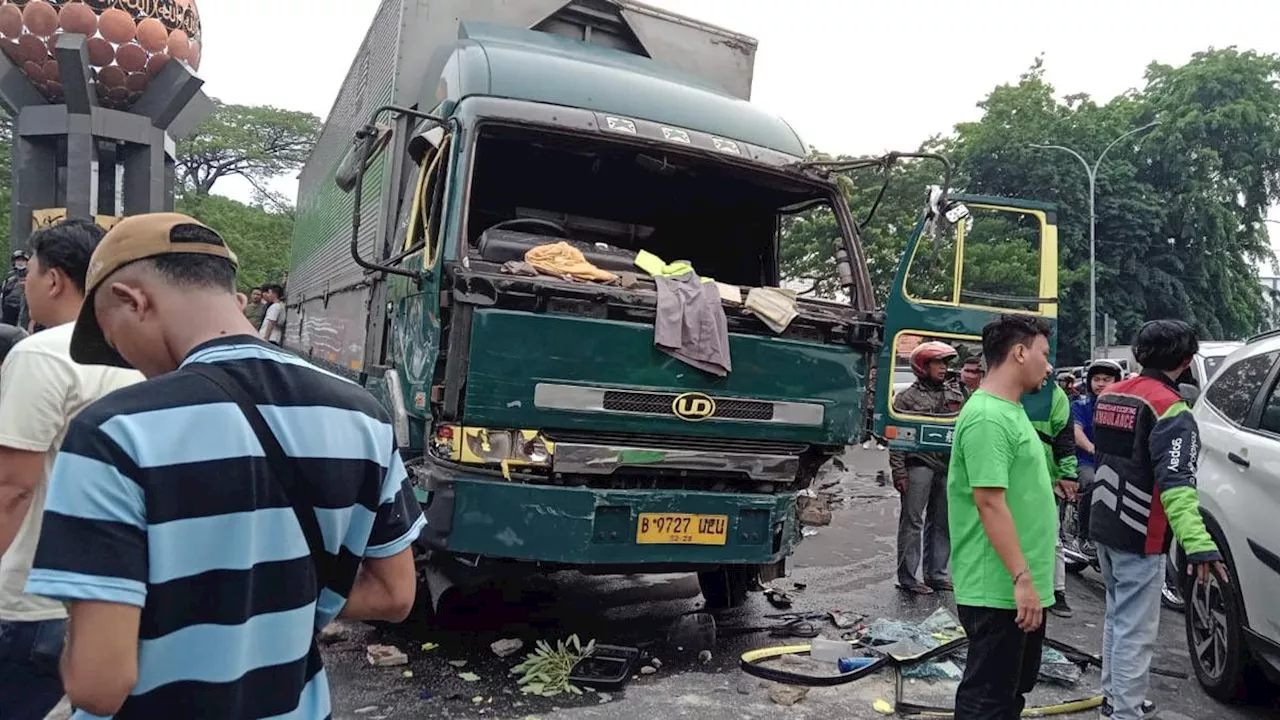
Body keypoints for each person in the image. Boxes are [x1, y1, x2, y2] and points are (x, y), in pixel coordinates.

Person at [23, 213, 425, 718]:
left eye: (112, 335)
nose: (123, 360)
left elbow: (99, 685)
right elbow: (393, 594)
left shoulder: (113, 432)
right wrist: (265, 598)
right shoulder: (361, 415)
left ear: (133, 299)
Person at [0, 220, 144, 719]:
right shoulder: (140, 351)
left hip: (29, 598)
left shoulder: (41, 354)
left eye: (31, 275)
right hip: (110, 596)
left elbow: (11, 488)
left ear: (56, 279)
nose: (26, 285)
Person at [1088, 320, 1225, 720]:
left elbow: (1106, 458)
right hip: (1139, 533)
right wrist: (1199, 545)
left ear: (1137, 354)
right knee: (1136, 629)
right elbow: (1178, 485)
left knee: (1118, 616)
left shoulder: (1111, 394)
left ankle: (1115, 699)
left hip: (1103, 522)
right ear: (1186, 361)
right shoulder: (1171, 410)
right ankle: (1126, 712)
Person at [948, 315, 1057, 720]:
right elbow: (989, 503)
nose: (1048, 366)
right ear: (1019, 352)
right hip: (999, 588)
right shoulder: (988, 418)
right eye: (1044, 354)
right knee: (987, 701)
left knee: (1011, 693)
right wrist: (1021, 578)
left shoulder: (1010, 410)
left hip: (1021, 587)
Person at [889, 341, 967, 595]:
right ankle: (908, 577)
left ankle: (937, 575)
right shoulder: (906, 398)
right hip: (918, 465)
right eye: (937, 362)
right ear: (923, 366)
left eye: (945, 363)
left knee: (943, 522)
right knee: (912, 522)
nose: (943, 368)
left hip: (947, 466)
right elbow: (897, 439)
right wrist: (899, 472)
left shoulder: (956, 396)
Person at [1031, 381, 1079, 618]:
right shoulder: (1006, 387)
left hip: (1045, 476)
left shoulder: (1055, 395)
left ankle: (1056, 591)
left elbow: (1065, 438)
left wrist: (1068, 473)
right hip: (1009, 474)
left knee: (1052, 535)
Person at [1071, 359, 1124, 559]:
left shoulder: (1126, 406)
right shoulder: (1081, 405)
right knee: (1093, 483)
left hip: (1117, 462)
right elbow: (1076, 432)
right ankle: (1083, 536)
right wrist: (1093, 449)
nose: (1101, 383)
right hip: (1087, 461)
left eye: (1107, 379)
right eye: (1097, 379)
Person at [1, 250, 28, 326]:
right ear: (14, 262)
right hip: (9, 309)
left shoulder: (31, 276)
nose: (20, 262)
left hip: (25, 309)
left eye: (23, 260)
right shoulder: (9, 277)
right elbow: (3, 295)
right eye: (18, 260)